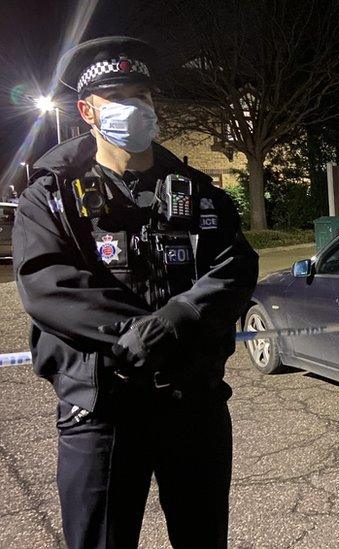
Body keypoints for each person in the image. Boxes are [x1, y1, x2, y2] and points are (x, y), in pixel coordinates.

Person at [13, 36, 258, 548]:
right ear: (87, 111)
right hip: (102, 406)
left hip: (192, 401)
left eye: (142, 97)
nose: (134, 108)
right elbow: (46, 284)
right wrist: (133, 332)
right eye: (118, 97)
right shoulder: (51, 197)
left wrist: (181, 316)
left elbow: (235, 265)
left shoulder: (198, 191)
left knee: (203, 536)